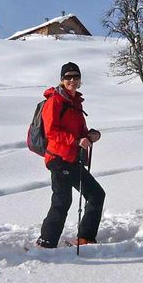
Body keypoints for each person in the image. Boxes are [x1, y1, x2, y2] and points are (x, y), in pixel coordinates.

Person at [36, 62, 105, 248]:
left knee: (96, 194)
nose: (72, 80)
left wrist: (90, 135)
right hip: (58, 159)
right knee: (62, 200)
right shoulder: (55, 101)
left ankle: (85, 238)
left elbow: (79, 131)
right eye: (68, 77)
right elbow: (52, 132)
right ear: (62, 80)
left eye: (76, 77)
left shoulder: (75, 103)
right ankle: (45, 242)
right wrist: (76, 141)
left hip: (73, 159)